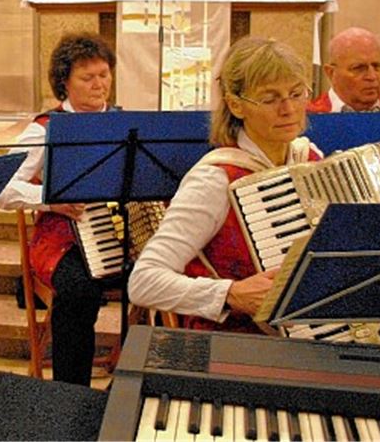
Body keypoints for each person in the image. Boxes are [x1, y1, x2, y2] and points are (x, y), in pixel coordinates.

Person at [128, 37, 321, 333]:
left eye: (296, 94)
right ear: (236, 105)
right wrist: (230, 294)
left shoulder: (309, 159)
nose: (289, 109)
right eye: (270, 99)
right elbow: (144, 282)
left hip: (306, 339)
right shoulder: (215, 180)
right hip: (233, 350)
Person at [0, 32, 119, 386]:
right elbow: (1, 189)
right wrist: (50, 200)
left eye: (104, 74)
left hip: (122, 234)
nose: (100, 85)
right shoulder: (44, 129)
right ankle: (70, 394)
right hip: (62, 237)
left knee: (165, 273)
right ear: (65, 82)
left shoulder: (125, 124)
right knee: (79, 291)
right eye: (88, 77)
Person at [307, 26, 380, 113]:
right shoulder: (308, 118)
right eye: (359, 68)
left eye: (377, 66)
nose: (372, 76)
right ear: (331, 73)